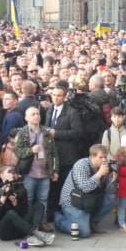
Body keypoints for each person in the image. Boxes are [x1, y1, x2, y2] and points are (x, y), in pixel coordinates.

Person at [54, 144, 116, 238]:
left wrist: (112, 178)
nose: (104, 160)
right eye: (101, 157)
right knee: (84, 232)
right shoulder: (81, 165)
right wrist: (99, 174)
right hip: (72, 202)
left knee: (112, 197)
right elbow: (85, 187)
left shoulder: (104, 165)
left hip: (89, 200)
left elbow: (105, 189)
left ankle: (92, 222)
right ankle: (58, 220)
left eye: (105, 157)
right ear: (92, 156)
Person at [44, 83, 83, 228]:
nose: (55, 98)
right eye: (53, 95)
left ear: (65, 97)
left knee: (64, 187)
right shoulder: (49, 110)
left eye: (59, 95)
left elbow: (78, 132)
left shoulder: (72, 112)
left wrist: (57, 133)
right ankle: (51, 215)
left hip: (67, 156)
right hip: (52, 155)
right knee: (52, 187)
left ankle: (63, 215)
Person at [14, 107, 59, 228]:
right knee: (28, 199)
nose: (36, 116)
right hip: (29, 173)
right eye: (33, 114)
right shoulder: (22, 132)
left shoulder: (46, 133)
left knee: (43, 199)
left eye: (38, 114)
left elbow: (54, 153)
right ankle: (28, 223)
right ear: (26, 118)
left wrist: (55, 170)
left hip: (45, 172)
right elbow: (17, 151)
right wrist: (30, 150)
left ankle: (42, 222)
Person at [0, 166, 55, 246]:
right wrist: (2, 200)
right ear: (1, 175)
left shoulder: (20, 187)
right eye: (9, 172)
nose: (12, 174)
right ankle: (37, 234)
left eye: (13, 172)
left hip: (21, 229)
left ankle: (34, 235)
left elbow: (24, 211)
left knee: (39, 205)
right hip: (5, 231)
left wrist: (15, 203)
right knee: (10, 213)